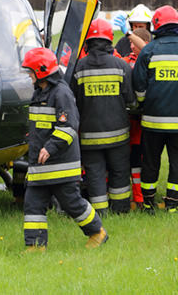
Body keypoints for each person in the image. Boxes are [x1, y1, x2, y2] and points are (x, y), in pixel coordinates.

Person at [21, 47, 107, 251]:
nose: (28, 76)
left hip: (61, 165)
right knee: (32, 206)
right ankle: (35, 246)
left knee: (72, 203)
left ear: (41, 71)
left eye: (30, 71)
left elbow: (68, 127)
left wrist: (50, 148)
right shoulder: (39, 92)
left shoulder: (61, 93)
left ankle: (97, 232)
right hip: (39, 165)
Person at [133, 5, 178, 213]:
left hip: (152, 122)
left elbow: (138, 86)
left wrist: (145, 102)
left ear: (156, 25)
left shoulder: (148, 51)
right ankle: (173, 204)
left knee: (150, 163)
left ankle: (148, 203)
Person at [72, 19, 136, 216]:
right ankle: (121, 209)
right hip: (118, 135)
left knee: (95, 174)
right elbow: (131, 101)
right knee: (119, 171)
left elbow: (74, 102)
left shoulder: (79, 68)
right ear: (110, 40)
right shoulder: (121, 66)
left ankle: (100, 212)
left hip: (90, 136)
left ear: (88, 41)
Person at [122, 27, 152, 208]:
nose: (131, 46)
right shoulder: (125, 61)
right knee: (130, 160)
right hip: (128, 121)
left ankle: (140, 198)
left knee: (140, 162)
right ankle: (134, 196)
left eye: (134, 42)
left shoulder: (149, 61)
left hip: (143, 122)